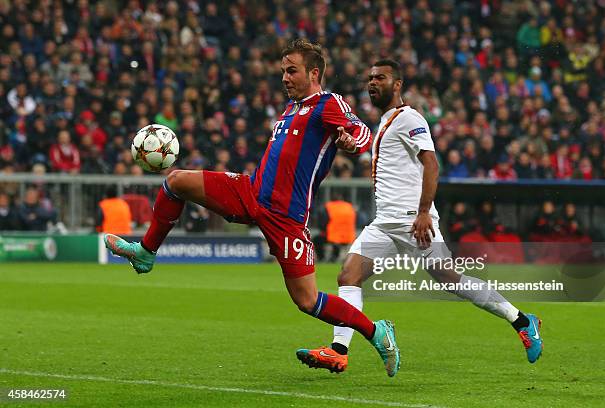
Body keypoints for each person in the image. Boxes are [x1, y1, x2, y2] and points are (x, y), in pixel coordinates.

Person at [104, 39, 400, 377]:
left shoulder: (327, 103)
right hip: (251, 192)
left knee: (307, 301)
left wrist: (352, 140)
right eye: (283, 71)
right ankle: (145, 252)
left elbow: (360, 131)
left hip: (286, 218)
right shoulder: (290, 109)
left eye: (292, 71)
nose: (285, 77)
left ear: (314, 73)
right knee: (176, 181)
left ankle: (377, 332)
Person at [297, 59, 543, 373]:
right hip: (385, 224)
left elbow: (431, 163)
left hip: (414, 221)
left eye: (381, 78)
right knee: (348, 276)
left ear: (397, 84)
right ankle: (338, 350)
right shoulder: (384, 124)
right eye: (370, 78)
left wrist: (425, 212)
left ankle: (522, 321)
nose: (373, 82)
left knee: (451, 280)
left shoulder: (409, 117)